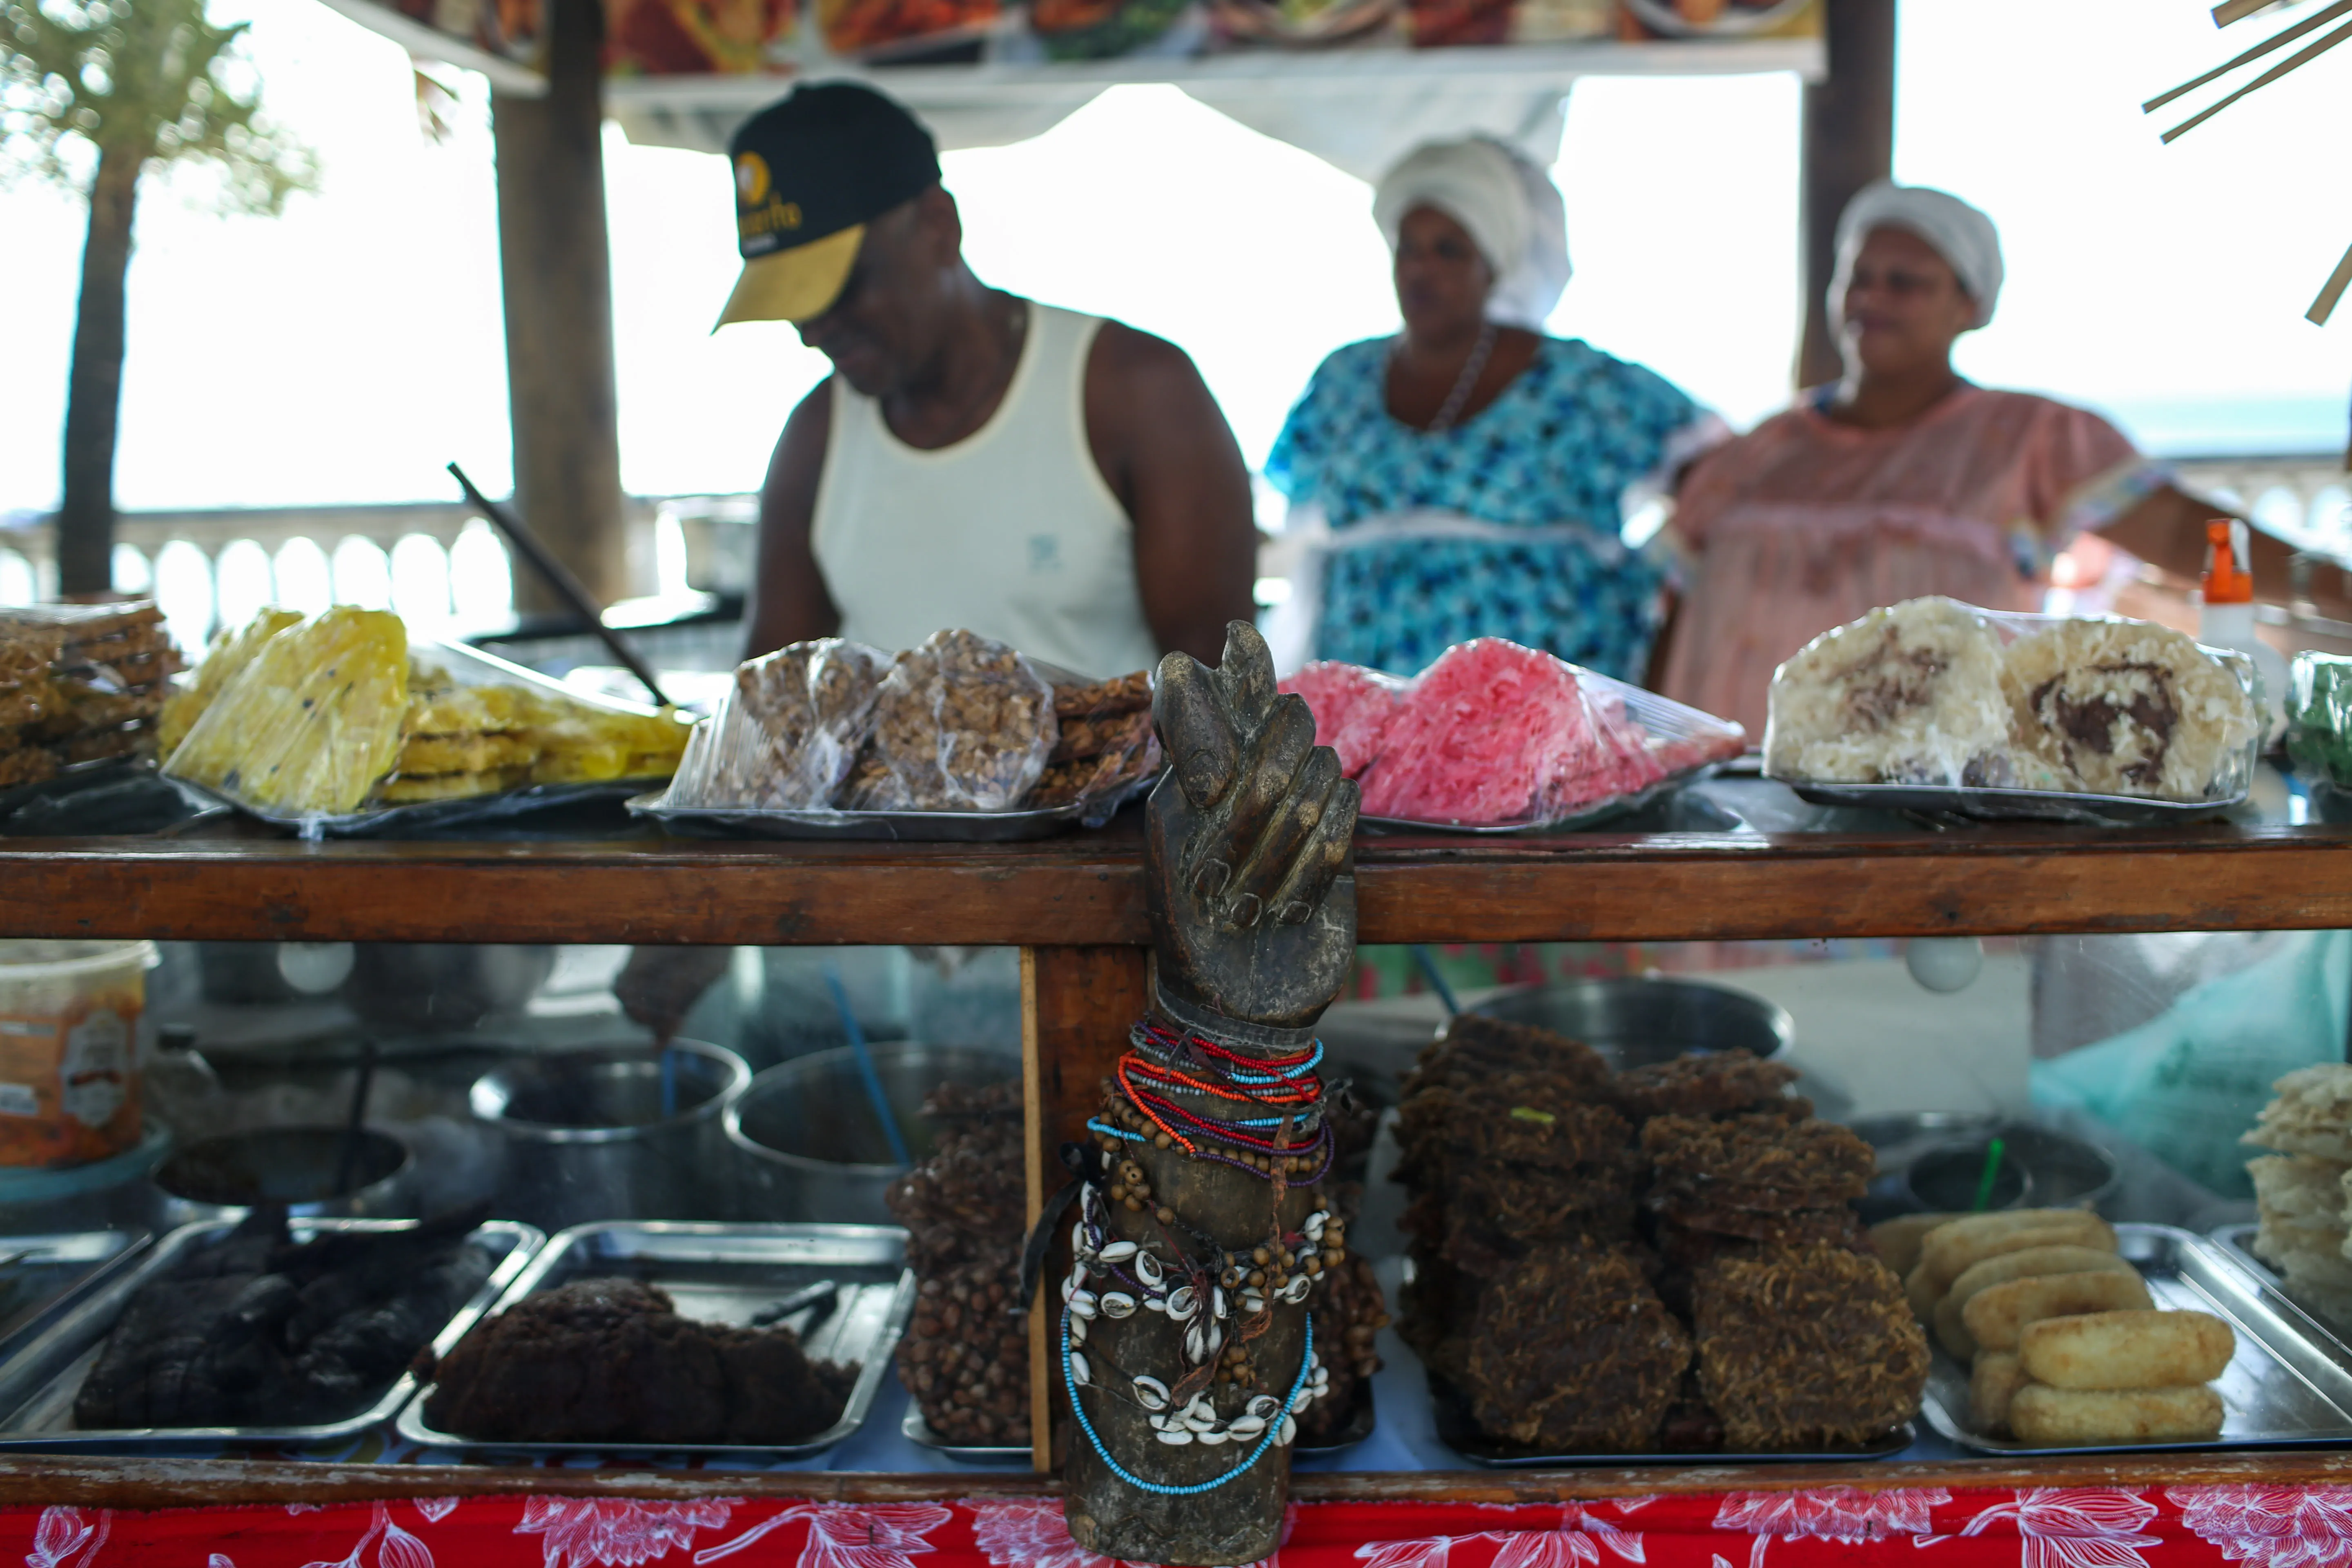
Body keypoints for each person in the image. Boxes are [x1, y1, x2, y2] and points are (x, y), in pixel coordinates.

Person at [1659, 179, 2352, 737]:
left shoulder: (2029, 438)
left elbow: (2178, 532)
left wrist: (2328, 584)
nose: (1872, 297)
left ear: (1972, 305)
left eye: (1905, 282)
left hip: (1943, 812)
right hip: (1733, 802)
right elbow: (1670, 615)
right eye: (1858, 277)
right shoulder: (1758, 453)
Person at [724, 81, 1258, 677]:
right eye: (793, 304)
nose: (813, 331)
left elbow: (1221, 704)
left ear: (937, 224)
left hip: (1118, 775)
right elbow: (769, 706)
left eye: (840, 289)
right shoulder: (816, 437)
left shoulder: (1134, 391)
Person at [1262, 136, 1719, 682]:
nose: (1421, 270)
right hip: (1370, 699)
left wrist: (1667, 585)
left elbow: (1718, 476)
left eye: (1449, 250)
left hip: (1530, 705)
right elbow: (1290, 512)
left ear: (1493, 264)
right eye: (1409, 249)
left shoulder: (1577, 383)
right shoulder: (1344, 378)